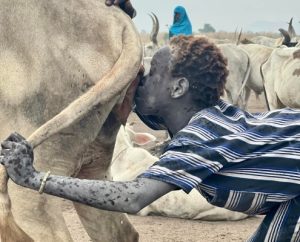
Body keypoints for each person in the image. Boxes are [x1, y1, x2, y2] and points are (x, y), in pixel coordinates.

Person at [1, 5, 300, 241]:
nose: (139, 77)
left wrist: (35, 179)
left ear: (178, 88)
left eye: (153, 73)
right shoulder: (213, 114)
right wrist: (116, 18)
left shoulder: (199, 140)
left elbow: (133, 196)